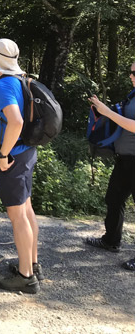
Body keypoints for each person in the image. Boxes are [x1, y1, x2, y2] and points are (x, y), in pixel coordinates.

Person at [0, 38, 41, 294]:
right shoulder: (21, 80)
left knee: (17, 217)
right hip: (27, 152)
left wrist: (3, 155)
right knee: (26, 210)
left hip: (13, 158)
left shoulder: (3, 85)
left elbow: (15, 122)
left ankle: (26, 277)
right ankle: (32, 264)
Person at [85, 61, 135, 271]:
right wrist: (101, 109)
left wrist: (107, 112)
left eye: (134, 72)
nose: (131, 75)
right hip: (125, 158)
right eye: (130, 71)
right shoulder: (133, 95)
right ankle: (111, 241)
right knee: (113, 198)